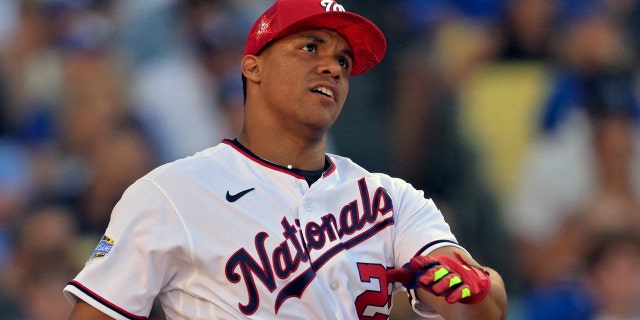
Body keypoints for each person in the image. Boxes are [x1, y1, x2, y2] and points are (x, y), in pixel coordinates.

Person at [63, 0, 507, 319]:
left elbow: (487, 310)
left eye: (344, 61)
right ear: (253, 67)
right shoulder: (171, 194)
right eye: (310, 48)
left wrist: (473, 283)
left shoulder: (391, 198)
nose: (333, 68)